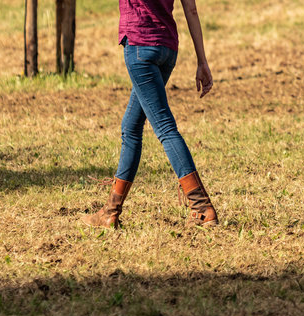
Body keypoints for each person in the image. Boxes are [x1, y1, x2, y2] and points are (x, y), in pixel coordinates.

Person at [82, 0, 218, 228]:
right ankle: (110, 212)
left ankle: (201, 207)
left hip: (140, 45)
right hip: (167, 49)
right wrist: (201, 60)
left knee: (164, 127)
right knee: (131, 126)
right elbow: (191, 9)